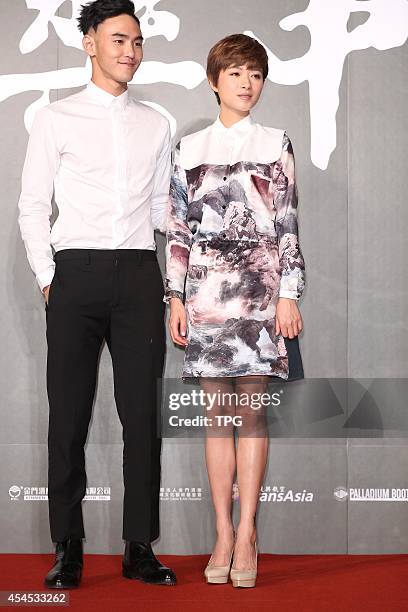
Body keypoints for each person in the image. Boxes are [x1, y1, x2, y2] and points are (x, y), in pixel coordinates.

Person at [18, 0, 176, 589]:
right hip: (74, 276)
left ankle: (139, 548)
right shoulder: (56, 119)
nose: (130, 51)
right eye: (117, 40)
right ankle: (69, 549)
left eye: (136, 40)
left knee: (142, 418)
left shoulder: (156, 123)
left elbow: (163, 213)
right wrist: (47, 275)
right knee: (68, 418)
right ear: (90, 44)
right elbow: (33, 204)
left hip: (138, 275)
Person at [165, 33, 305, 588]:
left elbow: (288, 223)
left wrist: (289, 292)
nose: (248, 84)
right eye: (237, 74)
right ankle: (221, 530)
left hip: (261, 288)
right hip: (204, 292)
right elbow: (178, 230)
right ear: (214, 80)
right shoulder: (189, 149)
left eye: (256, 74)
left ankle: (248, 532)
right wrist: (173, 296)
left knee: (251, 413)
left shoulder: (276, 143)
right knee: (215, 418)